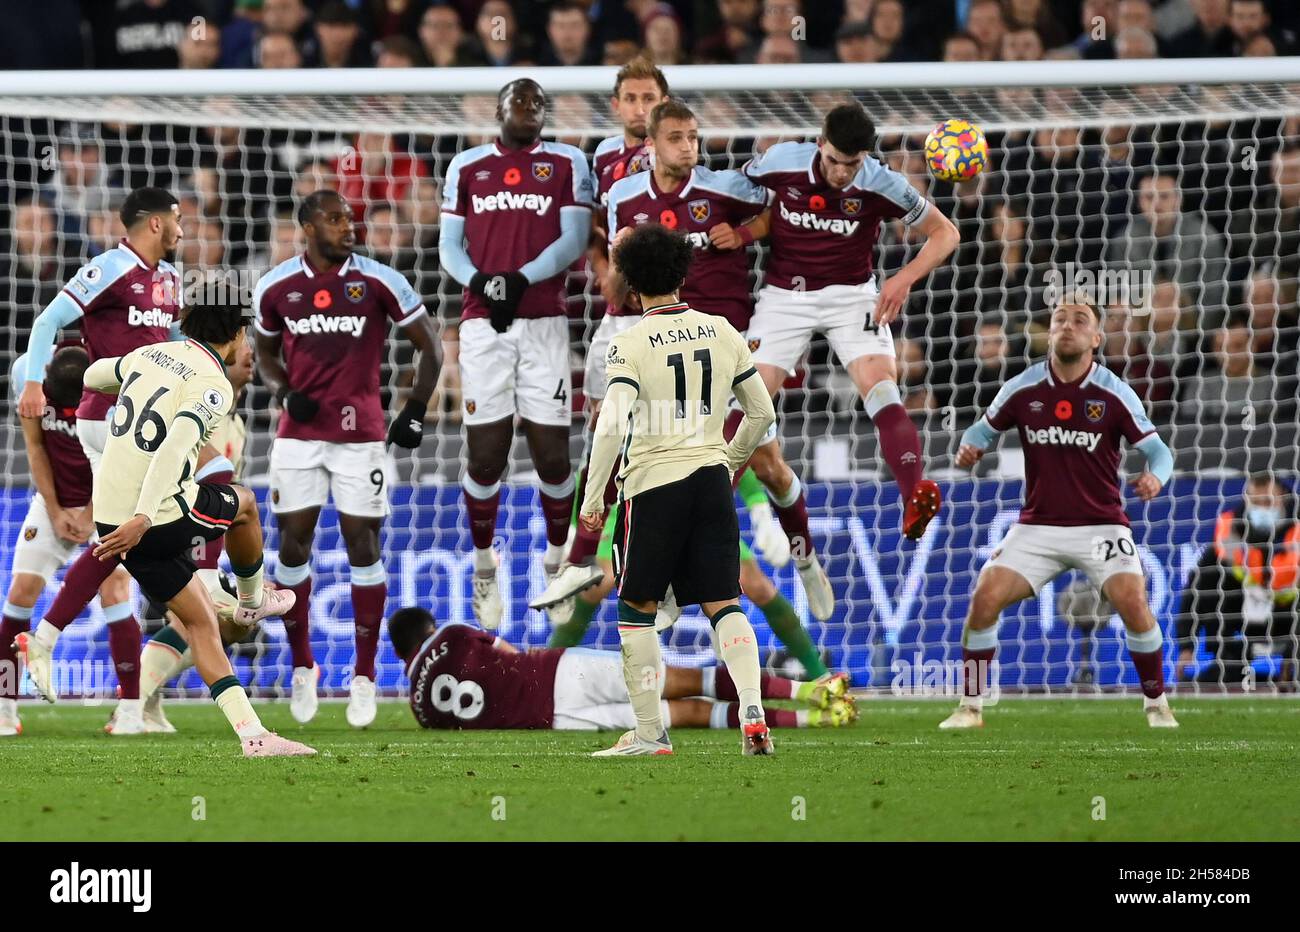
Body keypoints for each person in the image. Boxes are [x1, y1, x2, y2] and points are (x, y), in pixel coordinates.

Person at [19, 305, 312, 757]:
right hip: (155, 514)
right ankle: (254, 601)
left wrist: (90, 374)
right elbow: (176, 446)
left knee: (200, 623)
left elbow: (95, 374)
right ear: (235, 335)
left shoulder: (150, 354)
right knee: (247, 505)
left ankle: (255, 737)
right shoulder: (213, 384)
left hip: (110, 517)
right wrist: (145, 516)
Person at [580, 222, 777, 756]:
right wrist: (729, 463)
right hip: (711, 480)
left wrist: (594, 496)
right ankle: (753, 716)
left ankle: (648, 734)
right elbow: (762, 412)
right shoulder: (721, 328)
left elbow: (611, 423)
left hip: (653, 486)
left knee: (636, 609)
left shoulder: (629, 344)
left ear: (630, 283)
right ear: (682, 274)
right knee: (724, 603)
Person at [939, 295, 1179, 730]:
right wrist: (970, 447)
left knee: (1132, 600)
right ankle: (970, 707)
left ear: (1096, 337)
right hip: (1038, 527)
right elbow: (981, 429)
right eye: (1059, 319)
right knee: (985, 597)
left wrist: (1156, 478)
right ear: (1049, 333)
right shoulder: (1024, 387)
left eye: (1079, 320)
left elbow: (1160, 453)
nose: (1068, 326)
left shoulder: (1114, 392)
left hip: (1102, 524)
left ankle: (1157, 704)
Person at [254, 189, 439, 729]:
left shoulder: (381, 280)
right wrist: (284, 391)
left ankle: (364, 676)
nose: (348, 227)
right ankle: (303, 665)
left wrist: (414, 410)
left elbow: (431, 346)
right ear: (308, 228)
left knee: (364, 543)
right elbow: (264, 352)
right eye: (335, 220)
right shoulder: (276, 286)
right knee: (292, 546)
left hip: (362, 437)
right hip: (298, 436)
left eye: (350, 219)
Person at [741, 104, 959, 543]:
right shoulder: (783, 161)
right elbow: (738, 192)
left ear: (865, 158)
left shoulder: (880, 181)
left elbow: (946, 233)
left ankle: (913, 495)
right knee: (749, 404)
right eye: (835, 161)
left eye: (852, 164)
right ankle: (702, 506)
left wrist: (902, 279)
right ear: (821, 144)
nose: (842, 174)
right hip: (786, 296)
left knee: (882, 389)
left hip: (852, 295)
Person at [15, 186, 188, 732]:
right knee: (128, 538)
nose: (184, 230)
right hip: (107, 417)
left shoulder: (171, 281)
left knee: (122, 543)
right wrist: (34, 385)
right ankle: (46, 647)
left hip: (145, 421)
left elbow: (174, 347)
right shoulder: (109, 267)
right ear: (155, 224)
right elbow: (46, 323)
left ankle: (130, 703)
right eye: (178, 220)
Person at [437, 78, 594, 629]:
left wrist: (517, 278)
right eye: (519, 102)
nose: (529, 110)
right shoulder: (468, 167)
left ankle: (556, 564)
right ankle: (485, 567)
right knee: (486, 458)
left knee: (554, 457)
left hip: (546, 322)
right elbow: (448, 247)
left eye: (538, 103)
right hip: (484, 325)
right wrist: (485, 281)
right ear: (498, 110)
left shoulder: (570, 162)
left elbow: (574, 240)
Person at [534, 58, 670, 620]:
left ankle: (653, 577)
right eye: (631, 98)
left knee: (662, 447)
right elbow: (594, 225)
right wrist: (603, 265)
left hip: (665, 323)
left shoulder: (678, 158)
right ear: (616, 105)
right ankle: (582, 561)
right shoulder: (602, 159)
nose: (640, 108)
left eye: (649, 98)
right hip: (616, 319)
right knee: (602, 442)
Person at [388, 608, 856, 733]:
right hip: (553, 675)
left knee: (681, 716)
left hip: (558, 722)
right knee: (681, 679)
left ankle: (813, 719)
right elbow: (507, 652)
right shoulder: (450, 633)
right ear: (426, 627)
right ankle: (808, 692)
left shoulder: (418, 709)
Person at [134, 335, 256, 733]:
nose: (250, 353)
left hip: (196, 537)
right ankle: (133, 704)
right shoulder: (204, 405)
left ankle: (142, 705)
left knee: (226, 623)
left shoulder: (235, 422)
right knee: (210, 619)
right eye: (244, 345)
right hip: (166, 527)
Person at [0, 347, 96, 737]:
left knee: (118, 590)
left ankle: (131, 709)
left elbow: (118, 458)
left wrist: (92, 514)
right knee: (20, 593)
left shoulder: (113, 387)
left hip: (106, 501)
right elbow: (36, 448)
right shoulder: (28, 376)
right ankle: (5, 706)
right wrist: (56, 511)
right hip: (52, 500)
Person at [1174, 473, 1298, 689]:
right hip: (1242, 622)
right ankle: (1226, 662)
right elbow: (1195, 587)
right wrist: (1186, 645)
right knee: (1212, 576)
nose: (1262, 509)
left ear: (1284, 498)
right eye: (1255, 502)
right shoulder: (1230, 532)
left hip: (1287, 620)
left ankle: (1289, 668)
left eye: (1268, 502)